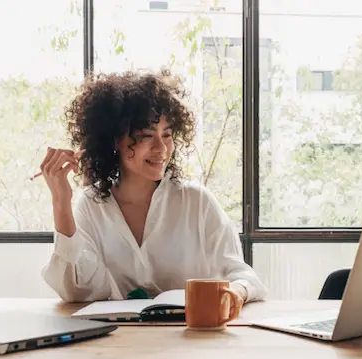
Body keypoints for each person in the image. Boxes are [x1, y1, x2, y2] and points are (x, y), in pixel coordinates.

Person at [40, 69, 267, 318]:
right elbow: (75, 292)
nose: (161, 148)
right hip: (118, 344)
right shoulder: (91, 205)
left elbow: (244, 277)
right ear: (115, 140)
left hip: (192, 343)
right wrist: (61, 201)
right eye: (146, 136)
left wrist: (236, 293)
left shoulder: (196, 202)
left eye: (167, 135)